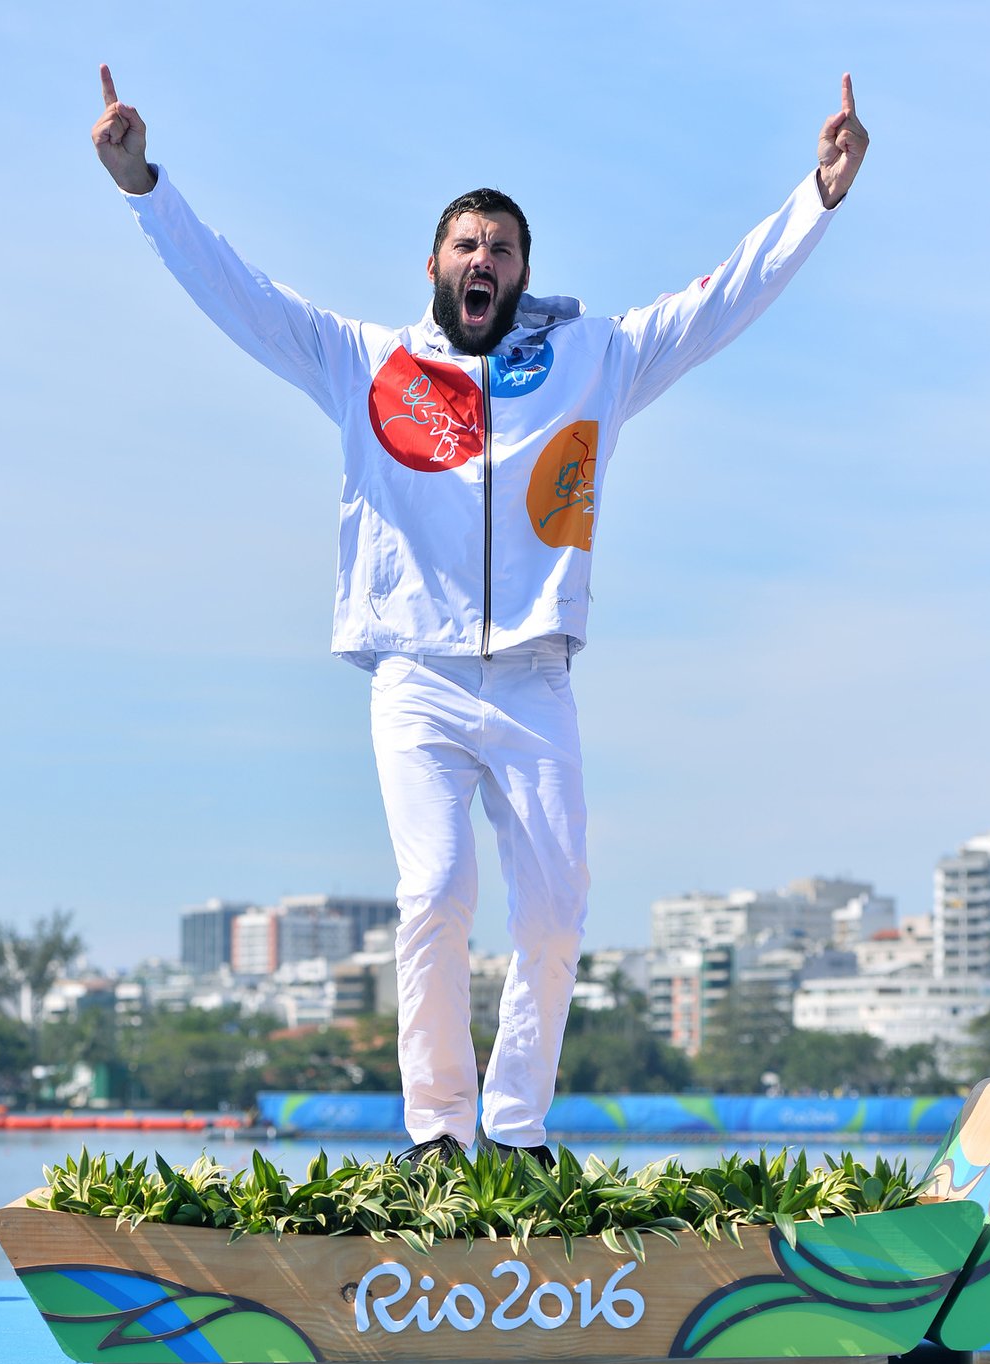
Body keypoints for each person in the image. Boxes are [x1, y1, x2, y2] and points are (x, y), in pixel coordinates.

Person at [92, 66, 869, 1168]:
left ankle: (513, 1132)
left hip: (538, 675)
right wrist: (143, 186)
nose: (483, 261)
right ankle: (441, 1134)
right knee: (437, 892)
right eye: (466, 245)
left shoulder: (593, 361)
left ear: (522, 273)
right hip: (418, 675)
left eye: (502, 249)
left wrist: (817, 199)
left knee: (555, 913)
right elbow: (240, 293)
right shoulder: (364, 362)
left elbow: (715, 306)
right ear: (435, 266)